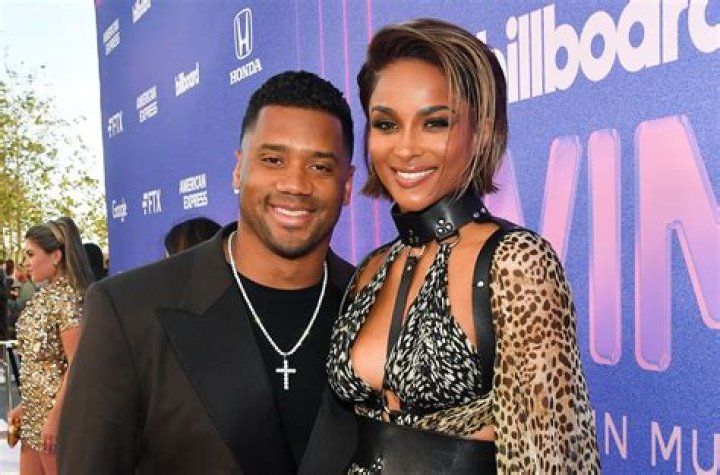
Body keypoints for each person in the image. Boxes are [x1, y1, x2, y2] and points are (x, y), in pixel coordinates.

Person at [325, 19, 600, 473]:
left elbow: (551, 457)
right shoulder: (370, 270)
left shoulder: (516, 263)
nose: (405, 149)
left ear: (482, 130)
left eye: (435, 123)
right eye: (386, 124)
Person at [58, 71, 356, 474]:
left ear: (347, 185)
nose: (295, 184)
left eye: (320, 167)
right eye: (273, 160)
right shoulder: (128, 311)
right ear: (238, 169)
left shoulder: (376, 307)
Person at [6, 217, 94, 475]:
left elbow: (76, 363)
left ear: (56, 256)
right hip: (35, 414)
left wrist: (54, 419)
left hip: (58, 418)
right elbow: (40, 364)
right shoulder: (43, 296)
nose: (25, 262)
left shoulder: (68, 299)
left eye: (31, 254)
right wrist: (26, 405)